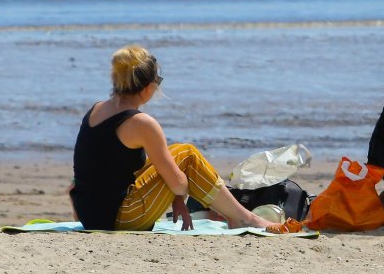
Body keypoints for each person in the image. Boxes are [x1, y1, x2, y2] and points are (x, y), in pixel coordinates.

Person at [70, 44, 278, 232]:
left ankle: (236, 215)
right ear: (147, 87)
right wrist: (178, 194)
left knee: (175, 152)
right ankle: (244, 218)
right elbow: (178, 184)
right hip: (120, 218)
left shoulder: (96, 110)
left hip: (90, 215)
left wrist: (177, 197)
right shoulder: (142, 123)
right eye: (157, 81)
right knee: (187, 154)